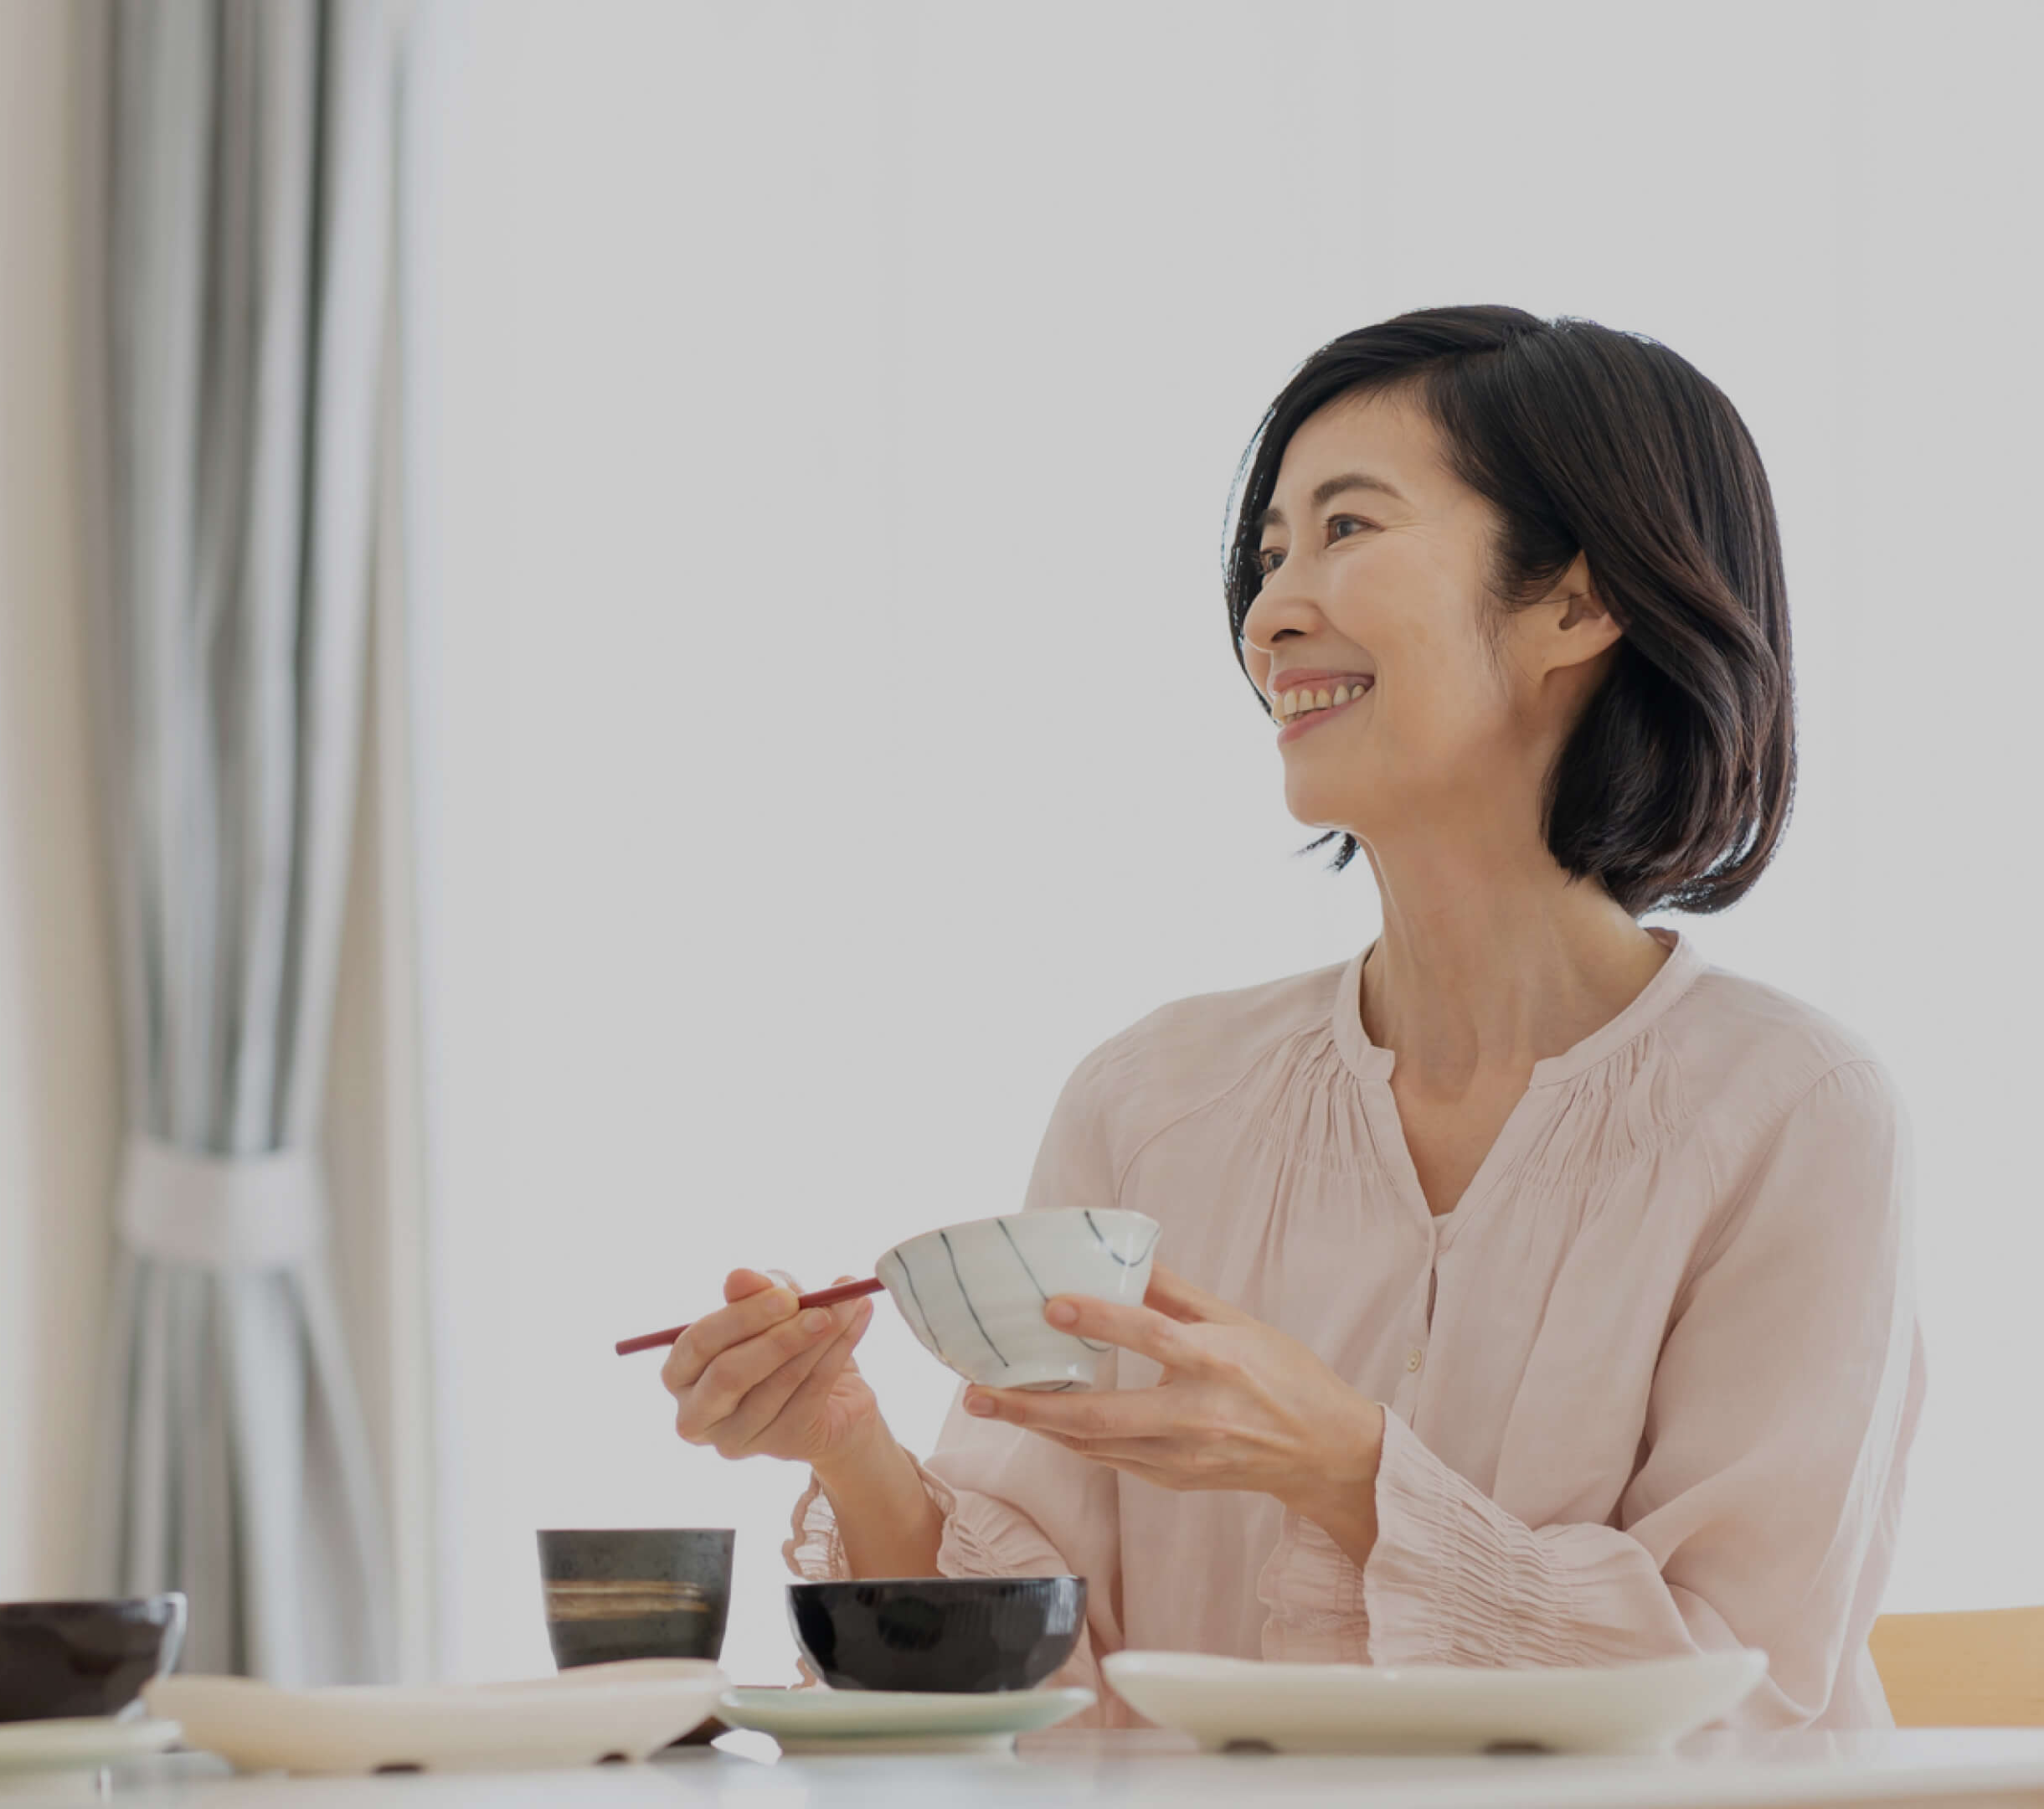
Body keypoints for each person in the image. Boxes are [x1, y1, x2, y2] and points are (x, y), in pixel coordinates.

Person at [656, 307, 1917, 1729]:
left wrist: (1346, 1470)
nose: (1270, 612)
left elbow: (1741, 1706)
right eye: (1267, 558)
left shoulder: (1791, 1114)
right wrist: (851, 1449)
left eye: (1349, 530)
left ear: (1576, 600)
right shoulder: (1151, 1103)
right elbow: (1032, 1691)